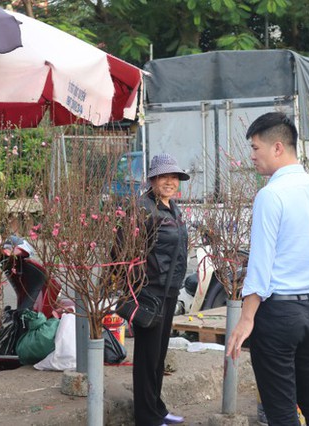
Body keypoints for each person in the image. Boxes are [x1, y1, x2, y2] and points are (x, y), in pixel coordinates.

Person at [226, 112, 309, 425]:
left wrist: (246, 319)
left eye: (255, 148)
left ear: (277, 147)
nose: (252, 156)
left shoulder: (271, 195)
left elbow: (260, 268)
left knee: (281, 411)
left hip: (277, 315)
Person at [133, 153, 189, 426]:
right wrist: (138, 288)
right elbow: (127, 253)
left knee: (159, 357)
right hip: (150, 294)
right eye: (164, 176)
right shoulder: (143, 208)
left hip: (170, 292)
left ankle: (157, 408)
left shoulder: (172, 208)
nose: (169, 181)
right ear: (153, 179)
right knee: (147, 358)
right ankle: (146, 417)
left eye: (174, 177)